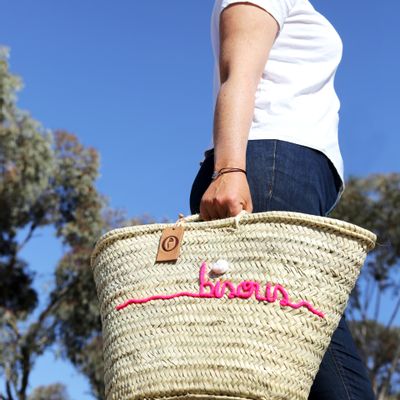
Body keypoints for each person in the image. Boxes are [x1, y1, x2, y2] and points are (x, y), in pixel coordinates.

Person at [189, 0, 376, 399]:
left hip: (281, 172)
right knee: (314, 348)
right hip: (267, 169)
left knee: (277, 362)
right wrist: (230, 171)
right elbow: (237, 73)